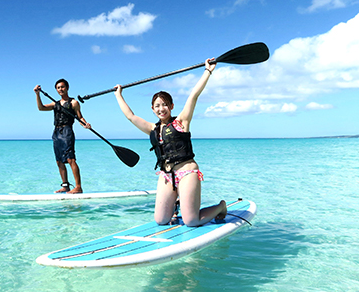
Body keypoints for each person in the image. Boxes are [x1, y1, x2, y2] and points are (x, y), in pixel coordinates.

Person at [114, 59, 226, 226]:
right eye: (157, 106)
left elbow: (193, 95)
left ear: (172, 106)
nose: (161, 109)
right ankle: (176, 205)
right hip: (166, 175)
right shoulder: (152, 128)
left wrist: (207, 71)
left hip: (187, 173)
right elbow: (131, 116)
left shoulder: (182, 122)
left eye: (165, 105)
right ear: (152, 109)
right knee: (161, 220)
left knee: (191, 221)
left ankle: (220, 207)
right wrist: (118, 95)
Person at [34, 79, 91, 194]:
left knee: (71, 159)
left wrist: (85, 124)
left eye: (62, 87)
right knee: (59, 161)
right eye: (58, 88)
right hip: (56, 132)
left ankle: (78, 187)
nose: (60, 89)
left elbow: (80, 117)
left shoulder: (74, 103)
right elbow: (41, 108)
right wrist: (37, 94)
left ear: (67, 88)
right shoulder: (55, 104)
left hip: (67, 131)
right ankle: (65, 186)